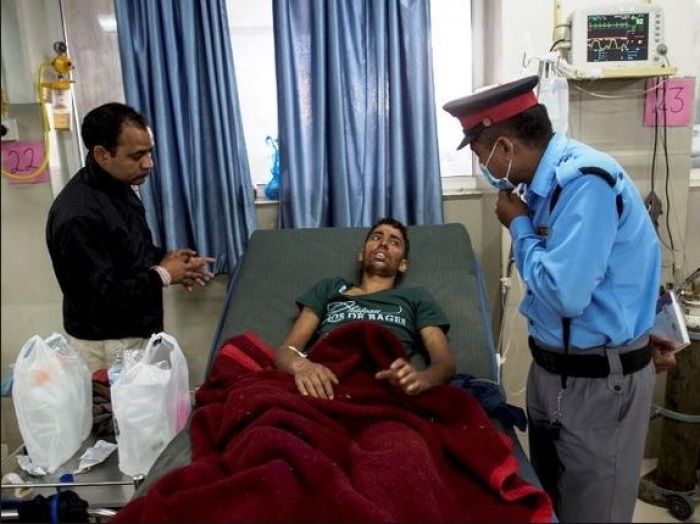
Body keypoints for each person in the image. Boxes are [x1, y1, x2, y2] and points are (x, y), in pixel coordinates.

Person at [443, 75, 673, 523]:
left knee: (593, 512)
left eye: (480, 153)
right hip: (555, 373)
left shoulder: (586, 183)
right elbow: (617, 269)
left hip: (599, 384)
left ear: (505, 148)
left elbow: (567, 294)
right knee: (551, 506)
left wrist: (520, 227)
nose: (483, 166)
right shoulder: (544, 186)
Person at [46, 102, 215, 373]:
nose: (149, 163)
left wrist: (167, 258)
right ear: (102, 154)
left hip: (134, 334)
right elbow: (100, 297)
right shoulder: (78, 216)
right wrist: (163, 274)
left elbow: (128, 249)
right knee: (123, 416)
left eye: (150, 152)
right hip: (106, 347)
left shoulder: (118, 186)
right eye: (137, 155)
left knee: (149, 412)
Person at [274, 217, 456, 400]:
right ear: (361, 254)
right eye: (376, 237)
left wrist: (423, 378)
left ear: (403, 265)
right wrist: (302, 366)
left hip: (384, 388)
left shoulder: (416, 297)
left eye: (394, 242)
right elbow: (287, 350)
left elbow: (444, 363)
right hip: (325, 387)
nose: (383, 244)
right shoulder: (330, 288)